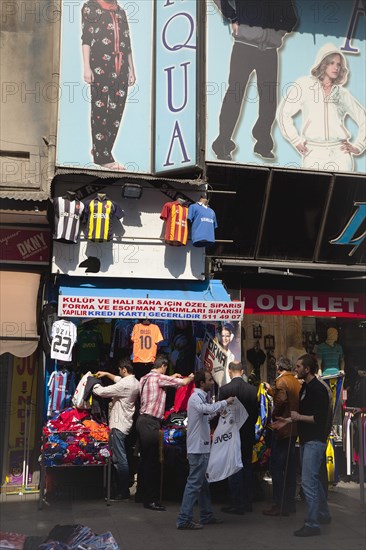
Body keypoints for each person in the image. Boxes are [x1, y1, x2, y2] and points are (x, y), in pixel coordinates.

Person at [212, 0, 298, 161]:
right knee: (235, 94)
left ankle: (263, 141)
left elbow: (291, 18)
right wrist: (233, 17)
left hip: (269, 51)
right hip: (243, 47)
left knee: (269, 98)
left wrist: (277, 33)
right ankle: (223, 143)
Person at [277, 43, 366, 172]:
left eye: (339, 64)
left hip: (340, 155)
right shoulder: (304, 85)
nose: (336, 67)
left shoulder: (342, 93)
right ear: (322, 63)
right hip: (313, 153)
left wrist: (359, 146)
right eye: (332, 63)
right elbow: (283, 113)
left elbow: (363, 118)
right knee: (312, 191)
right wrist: (295, 140)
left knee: (340, 192)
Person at [272, 354, 332, 537]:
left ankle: (312, 523)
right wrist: (288, 420)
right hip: (307, 440)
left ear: (307, 369)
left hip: (315, 440)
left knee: (307, 482)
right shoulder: (305, 386)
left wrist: (297, 418)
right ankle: (323, 513)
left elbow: (320, 419)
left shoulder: (318, 389)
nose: (295, 369)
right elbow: (304, 414)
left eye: (298, 366)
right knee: (312, 479)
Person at [176, 369, 235, 530]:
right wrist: (225, 403)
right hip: (198, 449)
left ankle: (206, 515)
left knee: (202, 484)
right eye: (209, 380)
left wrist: (218, 411)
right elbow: (206, 410)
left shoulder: (199, 399)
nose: (211, 382)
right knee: (195, 484)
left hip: (200, 447)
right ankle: (184, 518)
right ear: (201, 383)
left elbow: (205, 415)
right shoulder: (196, 398)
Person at [81, 0, 136, 170]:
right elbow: (86, 38)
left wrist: (132, 70)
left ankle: (101, 148)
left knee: (116, 110)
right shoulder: (91, 7)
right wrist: (87, 68)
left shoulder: (121, 12)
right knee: (100, 109)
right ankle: (102, 157)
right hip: (100, 67)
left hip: (121, 68)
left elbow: (127, 43)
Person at [136, 355, 194, 511]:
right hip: (151, 423)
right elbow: (183, 382)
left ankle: (141, 495)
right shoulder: (159, 378)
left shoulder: (144, 378)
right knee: (153, 461)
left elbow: (162, 381)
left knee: (144, 460)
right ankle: (151, 500)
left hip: (142, 421)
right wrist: (192, 376)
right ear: (163, 366)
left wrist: (169, 376)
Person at [93, 357, 140, 500]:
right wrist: (107, 374)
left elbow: (102, 392)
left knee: (120, 459)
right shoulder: (134, 382)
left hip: (118, 425)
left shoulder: (125, 385)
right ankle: (124, 487)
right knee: (122, 457)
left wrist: (91, 382)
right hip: (126, 424)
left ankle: (123, 491)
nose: (119, 373)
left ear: (124, 370)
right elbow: (118, 380)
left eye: (120, 370)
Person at [219, 361, 258, 515]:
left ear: (229, 371)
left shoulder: (225, 390)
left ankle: (236, 502)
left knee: (233, 467)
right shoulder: (252, 390)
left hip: (231, 434)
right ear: (242, 371)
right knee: (247, 466)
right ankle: (247, 501)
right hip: (247, 433)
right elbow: (255, 414)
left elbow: (221, 414)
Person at [263, 356, 300, 516]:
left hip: (283, 428)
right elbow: (284, 396)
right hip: (293, 428)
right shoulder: (295, 381)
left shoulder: (281, 381)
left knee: (277, 468)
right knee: (290, 468)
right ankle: (289, 503)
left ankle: (279, 504)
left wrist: (274, 415)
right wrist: (271, 391)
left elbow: (282, 399)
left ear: (278, 368)